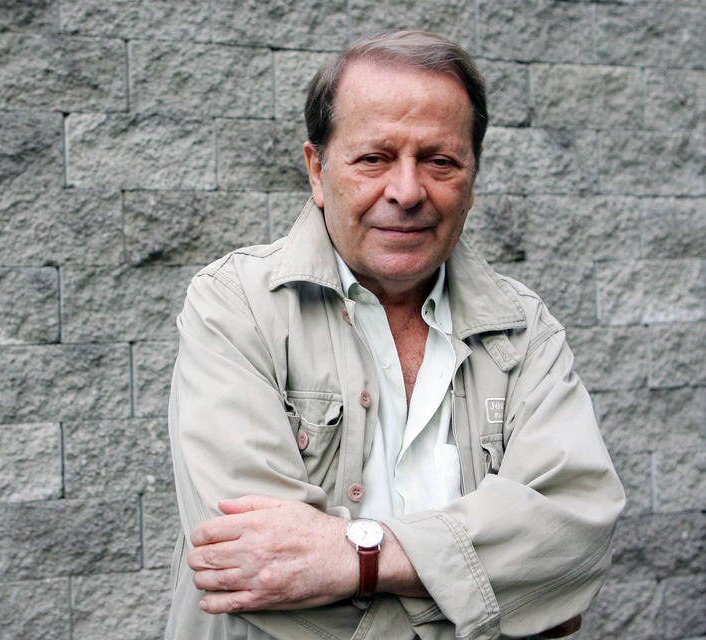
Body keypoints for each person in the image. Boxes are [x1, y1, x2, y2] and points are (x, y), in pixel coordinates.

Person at [165, 30, 624, 640]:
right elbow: (251, 567)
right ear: (318, 172)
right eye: (374, 158)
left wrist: (360, 560)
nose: (407, 192)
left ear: (473, 176)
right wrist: (502, 598)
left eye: (440, 161)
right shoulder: (235, 304)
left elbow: (574, 536)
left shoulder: (525, 329)